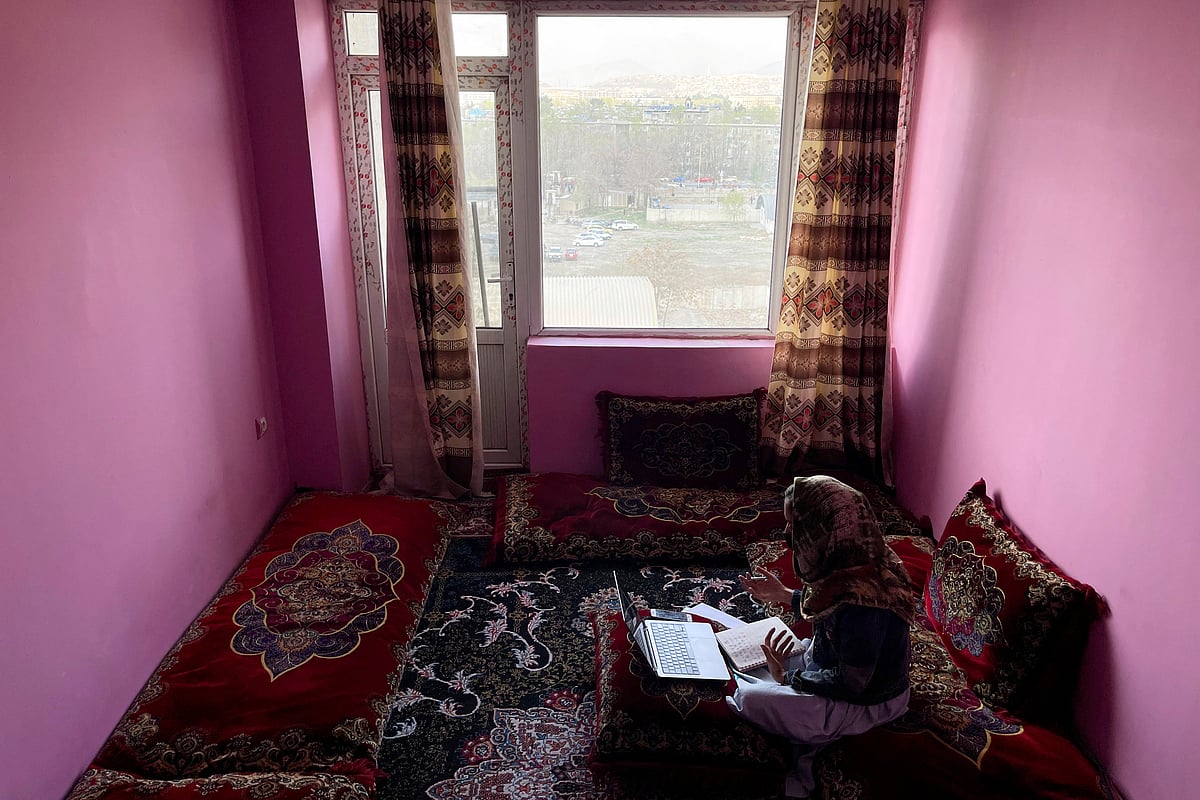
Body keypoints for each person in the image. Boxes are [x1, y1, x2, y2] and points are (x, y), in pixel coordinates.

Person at [727, 475, 916, 799]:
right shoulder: (850, 555)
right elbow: (829, 598)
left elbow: (852, 684)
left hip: (866, 700)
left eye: (795, 526)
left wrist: (790, 677)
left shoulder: (865, 606)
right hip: (832, 664)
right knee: (749, 661)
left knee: (749, 698)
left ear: (825, 529)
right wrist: (785, 595)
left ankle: (799, 733)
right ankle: (783, 685)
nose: (787, 534)